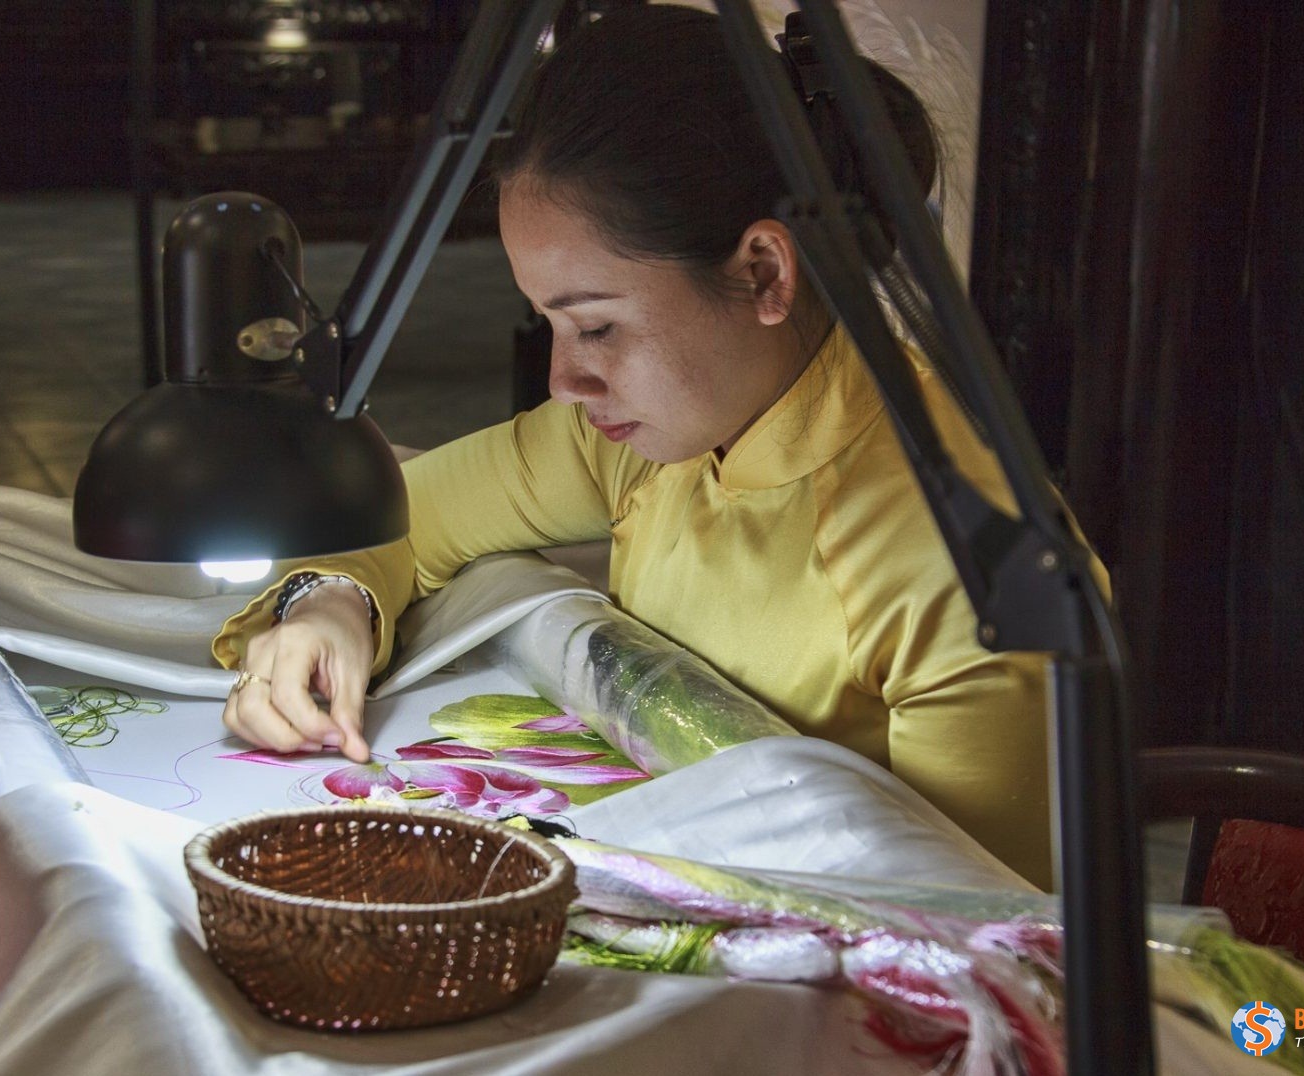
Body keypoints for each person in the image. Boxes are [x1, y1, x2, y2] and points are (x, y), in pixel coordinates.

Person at [216, 4, 1083, 890]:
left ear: (763, 273)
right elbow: (397, 513)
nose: (564, 380)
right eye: (551, 324)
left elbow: (990, 924)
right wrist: (330, 606)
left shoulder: (960, 575)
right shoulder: (641, 440)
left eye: (597, 326)